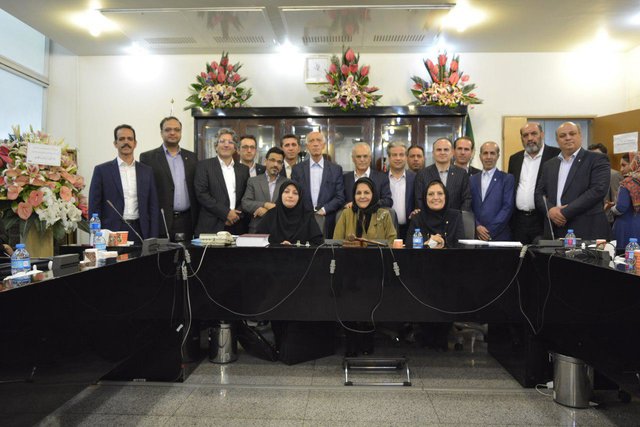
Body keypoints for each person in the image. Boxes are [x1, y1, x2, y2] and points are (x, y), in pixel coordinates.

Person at [534, 122, 611, 240]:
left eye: (572, 133)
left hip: (587, 229)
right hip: (555, 229)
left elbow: (598, 190)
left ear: (580, 136)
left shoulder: (597, 159)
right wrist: (550, 210)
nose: (568, 138)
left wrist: (564, 213)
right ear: (557, 140)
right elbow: (539, 193)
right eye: (562, 135)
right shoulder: (549, 165)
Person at [89, 124, 159, 244]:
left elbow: (153, 206)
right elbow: (94, 207)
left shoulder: (147, 171)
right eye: (121, 139)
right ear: (115, 143)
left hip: (141, 230)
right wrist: (96, 237)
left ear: (135, 143)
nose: (126, 142)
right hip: (112, 231)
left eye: (130, 139)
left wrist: (153, 237)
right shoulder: (102, 171)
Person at [139, 116, 198, 242]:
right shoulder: (148, 158)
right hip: (161, 221)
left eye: (177, 130)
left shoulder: (192, 157)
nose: (172, 133)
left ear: (181, 132)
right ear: (161, 133)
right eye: (168, 130)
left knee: (186, 254)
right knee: (162, 255)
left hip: (187, 221)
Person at [508, 122, 561, 244]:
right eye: (525, 135)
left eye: (534, 134)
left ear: (542, 134)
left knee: (541, 255)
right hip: (519, 221)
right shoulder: (515, 159)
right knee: (519, 254)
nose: (530, 138)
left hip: (544, 219)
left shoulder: (556, 155)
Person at [194, 128, 249, 235]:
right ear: (216, 146)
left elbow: (247, 195)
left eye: (230, 142)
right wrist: (226, 213)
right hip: (211, 225)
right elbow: (202, 194)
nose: (226, 145)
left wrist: (235, 215)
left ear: (235, 148)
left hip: (237, 224)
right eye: (222, 141)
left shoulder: (243, 169)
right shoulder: (204, 166)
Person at [292, 131, 345, 236]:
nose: (315, 144)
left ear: (324, 145)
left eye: (319, 140)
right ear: (307, 146)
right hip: (303, 219)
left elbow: (340, 197)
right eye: (312, 141)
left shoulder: (336, 169)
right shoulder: (297, 169)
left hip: (328, 220)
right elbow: (294, 195)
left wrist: (324, 209)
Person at [470, 142, 515, 241]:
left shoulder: (507, 179)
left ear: (498, 156)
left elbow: (507, 208)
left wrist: (489, 231)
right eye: (485, 153)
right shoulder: (472, 179)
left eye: (492, 153)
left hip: (499, 237)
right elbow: (469, 206)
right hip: (476, 235)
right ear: (480, 156)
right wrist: (476, 226)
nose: (488, 157)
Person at [333, 177, 397, 245]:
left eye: (366, 193)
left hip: (380, 252)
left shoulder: (384, 215)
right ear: (354, 196)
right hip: (350, 252)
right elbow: (336, 244)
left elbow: (392, 243)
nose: (362, 196)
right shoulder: (346, 214)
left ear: (373, 194)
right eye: (358, 193)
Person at [256, 180, 323, 246]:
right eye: (286, 192)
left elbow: (318, 243)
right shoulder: (271, 215)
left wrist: (295, 246)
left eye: (295, 193)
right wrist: (278, 246)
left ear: (299, 197)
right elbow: (258, 241)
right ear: (281, 194)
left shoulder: (307, 216)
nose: (290, 196)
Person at [414, 138, 471, 212]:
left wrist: (459, 216)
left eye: (446, 150)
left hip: (455, 217)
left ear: (452, 152)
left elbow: (467, 199)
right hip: (429, 218)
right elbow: (419, 200)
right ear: (433, 153)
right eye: (439, 150)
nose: (442, 152)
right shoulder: (422, 174)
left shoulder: (461, 173)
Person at [405, 180, 464, 249]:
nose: (435, 198)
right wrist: (428, 242)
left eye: (440, 193)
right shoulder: (417, 218)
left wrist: (443, 244)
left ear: (446, 196)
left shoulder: (455, 216)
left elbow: (461, 246)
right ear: (425, 197)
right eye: (431, 194)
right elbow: (409, 244)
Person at [241, 147, 287, 233]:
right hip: (256, 229)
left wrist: (268, 211)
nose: (275, 164)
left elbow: (289, 207)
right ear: (265, 161)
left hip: (279, 230)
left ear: (282, 165)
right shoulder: (253, 181)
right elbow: (245, 203)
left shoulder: (287, 183)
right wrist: (265, 204)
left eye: (279, 162)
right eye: (272, 160)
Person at [343, 142, 393, 209]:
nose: (362, 159)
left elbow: (388, 201)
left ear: (370, 158)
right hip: (350, 215)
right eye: (358, 156)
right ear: (353, 159)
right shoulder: (345, 178)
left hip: (375, 215)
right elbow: (340, 201)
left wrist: (367, 203)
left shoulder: (382, 178)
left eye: (365, 156)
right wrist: (347, 205)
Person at [387, 141, 416, 238]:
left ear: (406, 157)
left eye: (401, 155)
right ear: (389, 158)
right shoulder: (380, 179)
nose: (398, 158)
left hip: (410, 229)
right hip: (386, 229)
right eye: (394, 155)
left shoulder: (415, 178)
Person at [588, 143, 622, 225]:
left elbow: (617, 201)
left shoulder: (613, 175)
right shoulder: (587, 175)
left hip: (607, 221)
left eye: (597, 156)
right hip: (590, 220)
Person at [611, 154, 640, 249]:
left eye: (624, 165)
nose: (621, 169)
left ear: (633, 164)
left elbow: (621, 207)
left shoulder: (628, 182)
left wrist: (612, 209)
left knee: (625, 256)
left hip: (628, 228)